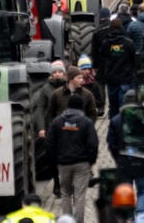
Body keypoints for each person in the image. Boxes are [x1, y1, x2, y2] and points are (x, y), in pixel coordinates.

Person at [48, 94, 98, 223]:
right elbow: (93, 144)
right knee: (80, 196)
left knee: (65, 193)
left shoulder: (57, 122)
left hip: (63, 164)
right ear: (81, 107)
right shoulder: (86, 122)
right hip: (82, 163)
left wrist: (55, 161)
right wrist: (90, 161)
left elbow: (50, 144)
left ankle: (68, 221)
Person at [107, 91, 144, 214]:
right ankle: (141, 215)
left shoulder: (116, 120)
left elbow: (111, 143)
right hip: (142, 161)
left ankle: (130, 217)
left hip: (124, 162)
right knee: (142, 191)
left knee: (127, 193)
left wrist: (118, 158)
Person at [34, 60, 67, 196]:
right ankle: (57, 183)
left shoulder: (68, 87)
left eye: (60, 72)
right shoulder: (45, 89)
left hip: (67, 127)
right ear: (51, 75)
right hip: (52, 127)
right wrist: (41, 128)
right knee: (53, 158)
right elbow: (40, 109)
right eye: (55, 72)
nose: (57, 74)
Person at [96, 18, 137, 118]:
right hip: (125, 79)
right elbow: (134, 60)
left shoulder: (106, 43)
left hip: (111, 79)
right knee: (124, 104)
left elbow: (102, 58)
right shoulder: (129, 43)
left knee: (113, 105)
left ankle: (113, 125)